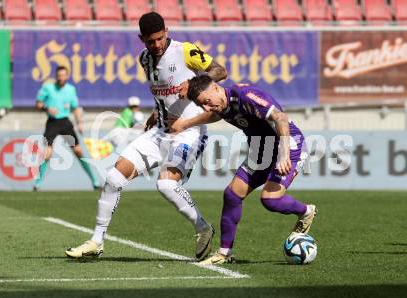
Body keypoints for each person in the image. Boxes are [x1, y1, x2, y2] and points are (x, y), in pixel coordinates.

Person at [65, 12, 227, 261]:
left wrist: (194, 83)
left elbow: (220, 70)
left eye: (160, 38)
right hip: (160, 130)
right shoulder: (144, 60)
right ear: (141, 39)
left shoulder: (186, 51)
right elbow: (164, 91)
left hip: (189, 131)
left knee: (165, 185)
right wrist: (156, 112)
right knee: (113, 178)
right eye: (150, 41)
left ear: (167, 31)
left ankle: (203, 228)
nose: (157, 45)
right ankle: (96, 241)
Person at [169, 75, 317, 264]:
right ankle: (223, 253)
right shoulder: (220, 104)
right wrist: (184, 124)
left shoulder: (245, 95)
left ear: (215, 88)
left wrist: (284, 154)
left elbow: (280, 117)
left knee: (270, 200)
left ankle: (306, 211)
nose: (206, 107)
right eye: (201, 105)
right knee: (232, 195)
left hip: (289, 147)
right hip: (261, 153)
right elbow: (215, 114)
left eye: (206, 101)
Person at [34, 66, 99, 191]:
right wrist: (46, 108)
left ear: (67, 76)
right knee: (47, 153)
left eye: (63, 75)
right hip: (52, 123)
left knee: (79, 152)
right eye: (59, 75)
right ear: (56, 76)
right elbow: (38, 104)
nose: (61, 77)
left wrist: (79, 122)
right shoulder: (48, 88)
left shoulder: (71, 89)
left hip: (65, 123)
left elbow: (75, 108)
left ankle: (94, 181)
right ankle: (37, 184)